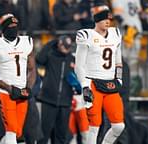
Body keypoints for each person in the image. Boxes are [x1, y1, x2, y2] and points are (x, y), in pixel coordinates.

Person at [75, 4, 125, 144]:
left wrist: (119, 78)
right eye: (104, 19)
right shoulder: (86, 35)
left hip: (110, 83)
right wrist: (85, 86)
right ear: (97, 20)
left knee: (119, 126)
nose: (107, 21)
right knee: (94, 127)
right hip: (93, 83)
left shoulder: (115, 34)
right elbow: (79, 65)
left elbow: (118, 61)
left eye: (109, 18)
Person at [0, 13, 36, 144]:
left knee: (18, 133)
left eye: (15, 25)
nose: (14, 28)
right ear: (4, 28)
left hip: (22, 92)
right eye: (10, 26)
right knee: (11, 131)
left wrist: (28, 88)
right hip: (5, 93)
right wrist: (9, 88)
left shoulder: (27, 42)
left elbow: (32, 69)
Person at [36, 35, 75, 144]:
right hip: (49, 100)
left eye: (68, 46)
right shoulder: (51, 56)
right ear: (59, 45)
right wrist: (52, 42)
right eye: (64, 46)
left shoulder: (72, 59)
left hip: (65, 102)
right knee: (44, 134)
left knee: (61, 136)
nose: (67, 49)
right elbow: (39, 59)